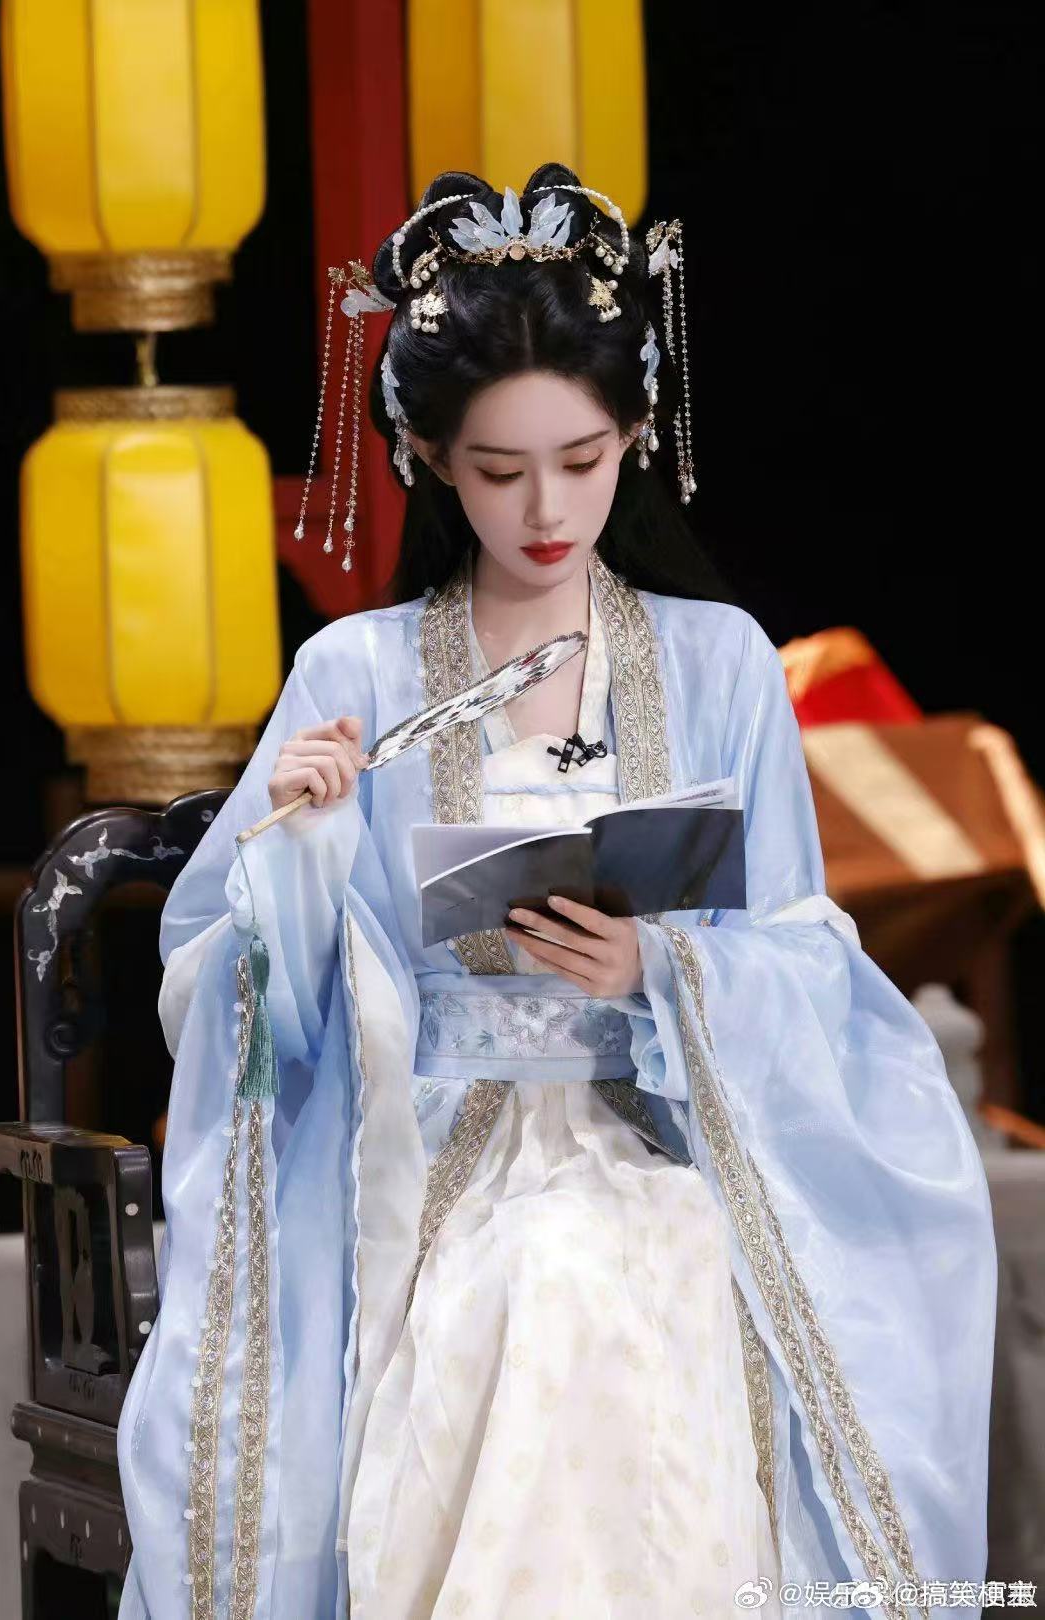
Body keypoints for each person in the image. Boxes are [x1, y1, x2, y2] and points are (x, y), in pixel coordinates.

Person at [116, 164, 997, 1620]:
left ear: (636, 436)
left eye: (582, 463)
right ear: (427, 456)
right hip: (425, 1148)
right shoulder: (357, 671)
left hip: (680, 1131)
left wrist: (665, 971)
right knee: (554, 1263)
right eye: (499, 470)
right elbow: (223, 983)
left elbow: (811, 955)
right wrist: (303, 847)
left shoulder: (719, 661)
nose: (544, 510)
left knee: (647, 1250)